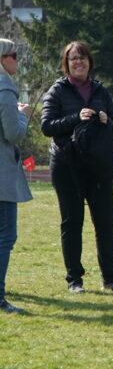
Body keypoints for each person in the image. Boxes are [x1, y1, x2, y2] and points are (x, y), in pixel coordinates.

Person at [40, 41, 113, 294]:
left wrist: (106, 121)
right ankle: (75, 280)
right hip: (66, 165)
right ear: (66, 64)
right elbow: (47, 126)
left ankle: (111, 279)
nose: (78, 62)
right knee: (72, 222)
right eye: (73, 59)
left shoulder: (100, 91)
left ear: (90, 62)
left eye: (82, 58)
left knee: (105, 223)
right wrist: (75, 117)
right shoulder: (57, 91)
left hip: (98, 166)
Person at [0, 39, 32, 313]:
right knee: (5, 236)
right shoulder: (5, 88)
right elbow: (14, 133)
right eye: (14, 55)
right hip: (1, 177)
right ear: (2, 59)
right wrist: (24, 116)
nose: (17, 60)